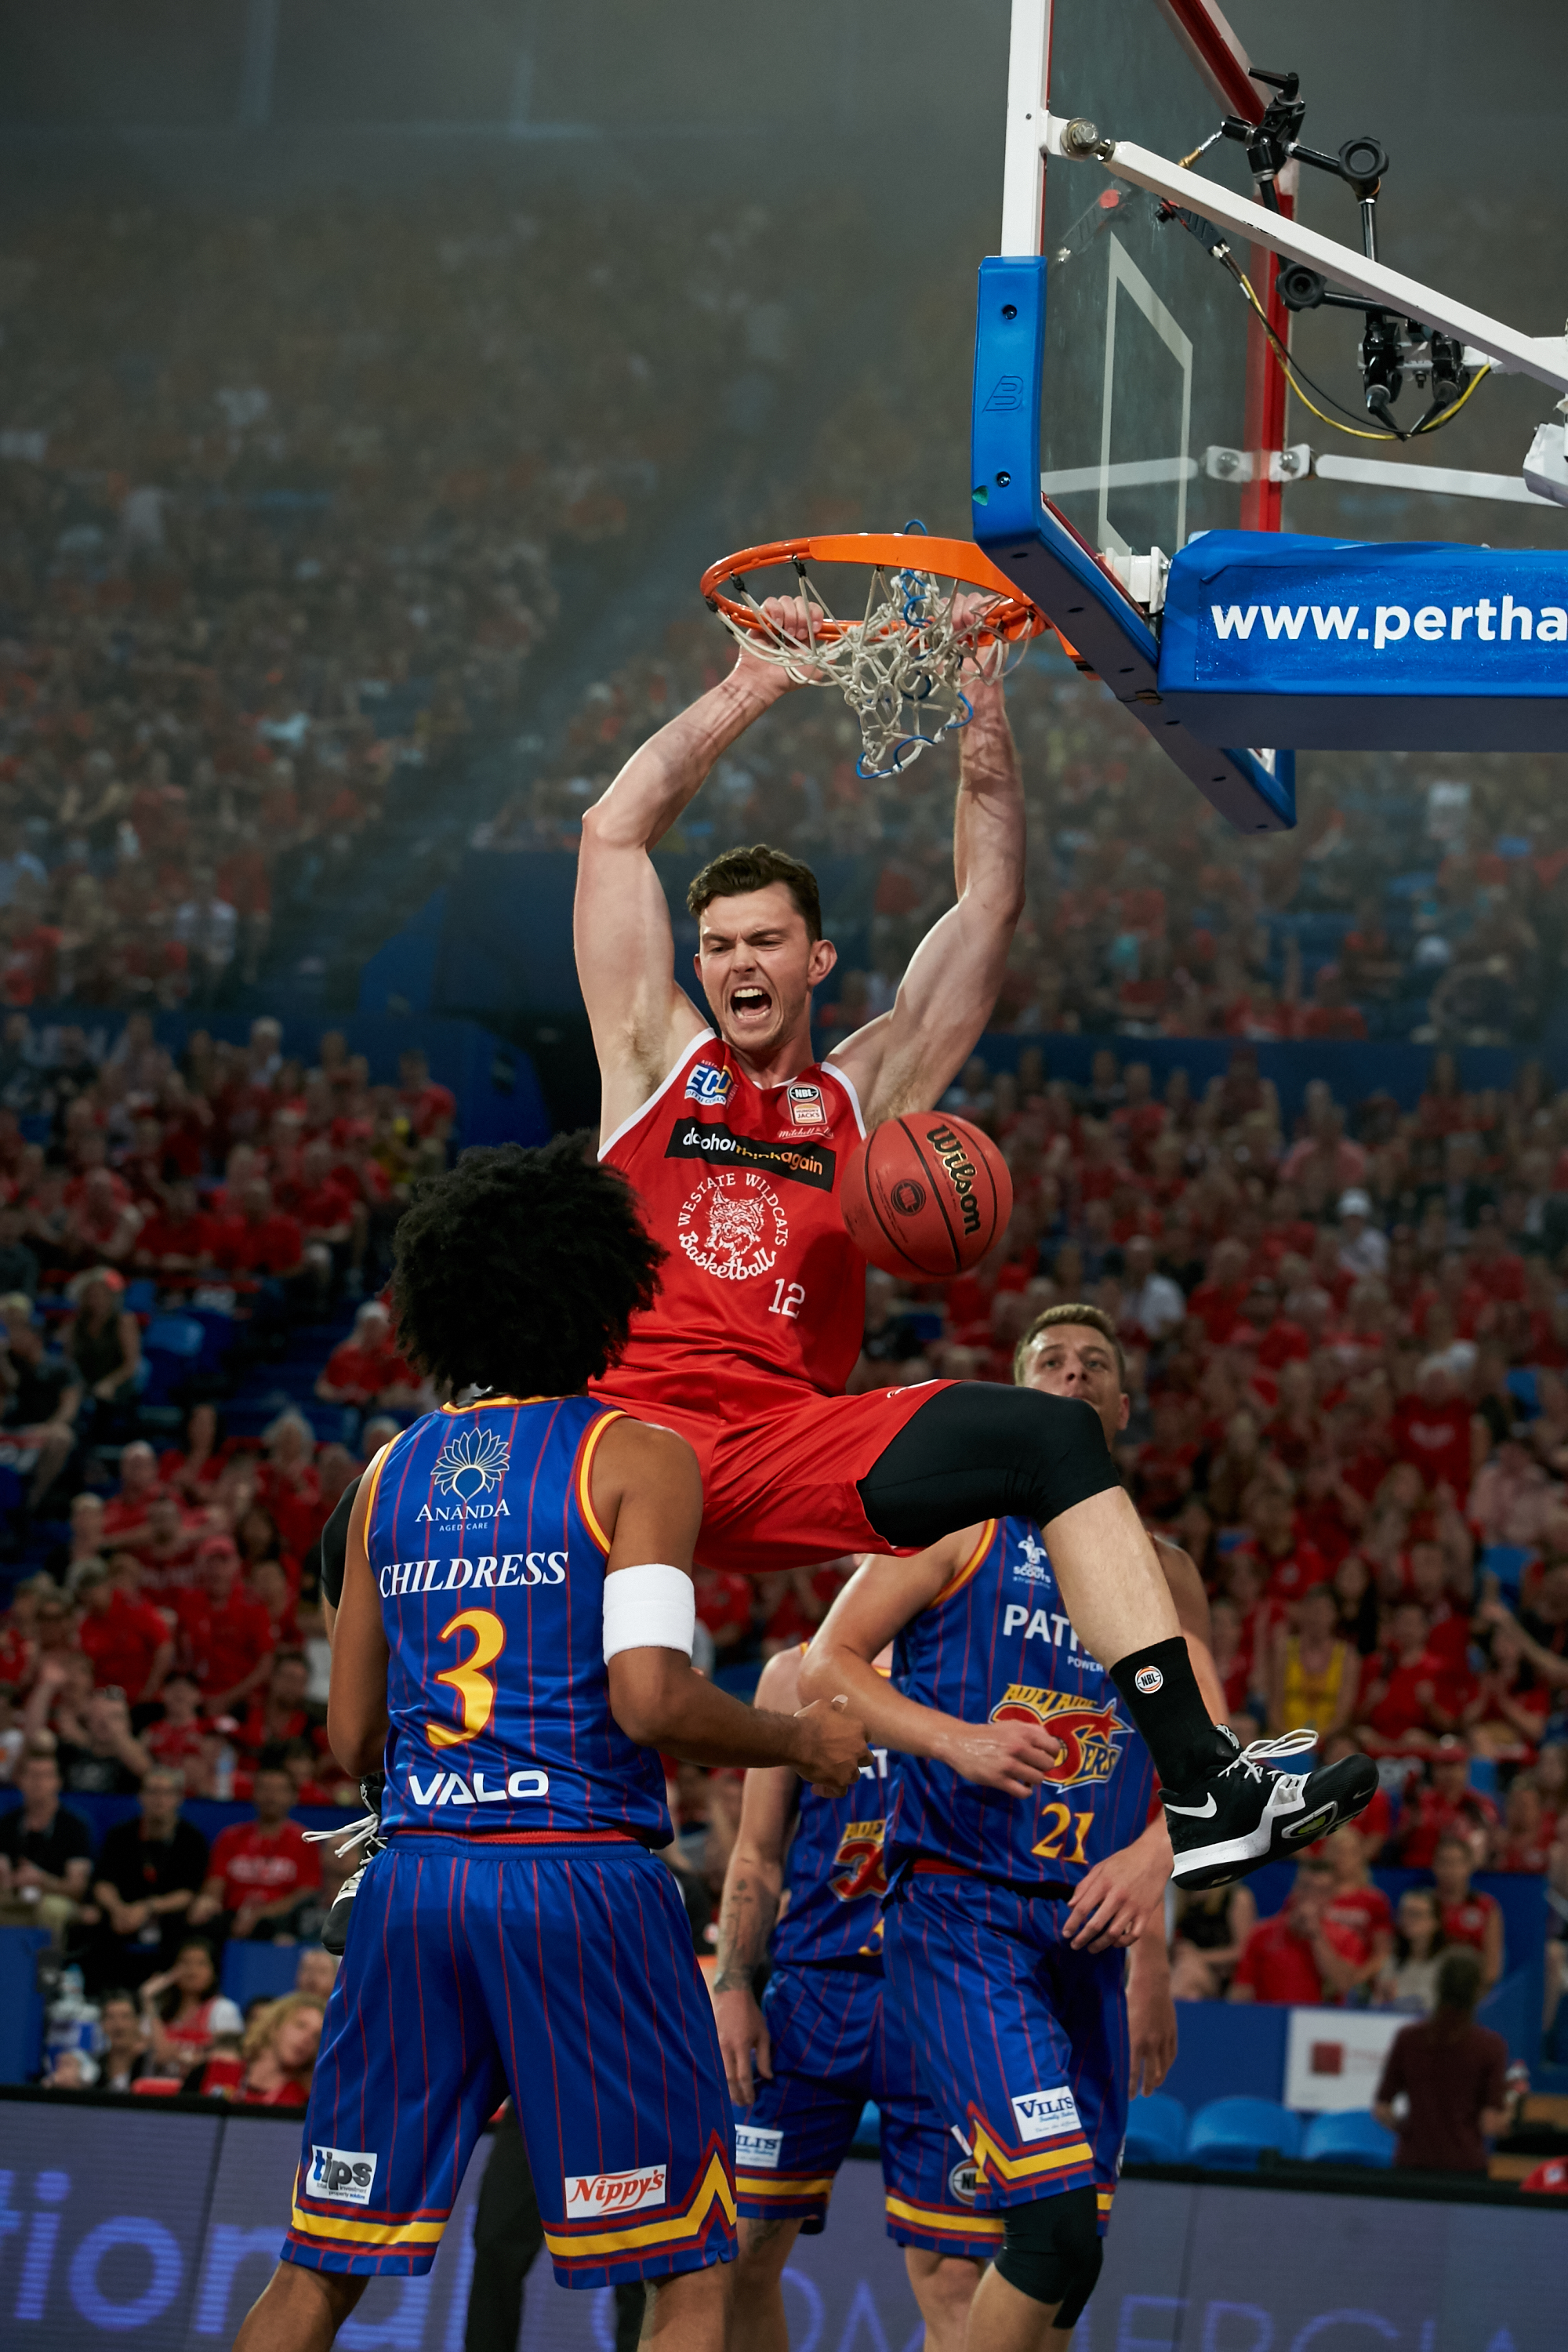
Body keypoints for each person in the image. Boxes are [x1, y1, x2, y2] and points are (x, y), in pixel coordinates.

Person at [575, 636, 1373, 1886]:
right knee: (386, 1494)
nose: (736, 964)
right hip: (620, 1445)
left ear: (814, 961)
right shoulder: (649, 1059)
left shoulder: (867, 1093)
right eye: (719, 944)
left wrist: (984, 716)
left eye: (765, 942)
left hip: (784, 1443)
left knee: (1054, 1440)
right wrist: (749, 684)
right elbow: (614, 836)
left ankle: (1206, 1784)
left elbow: (986, 907)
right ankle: (374, 1816)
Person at [234, 1136, 870, 2352]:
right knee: (686, 2271)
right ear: (606, 1294)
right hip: (580, 1880)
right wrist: (800, 1740)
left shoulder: (387, 1474)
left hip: (416, 1885)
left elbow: (351, 1735)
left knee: (321, 2262)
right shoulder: (636, 1455)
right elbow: (651, 1699)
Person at [797, 1305, 1207, 2352]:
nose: (1073, 1373)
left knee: (1066, 2281)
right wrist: (953, 1741)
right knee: (1043, 2237)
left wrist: (1153, 1873)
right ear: (1020, 1395)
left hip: (1090, 1942)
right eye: (1050, 1361)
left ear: (1120, 1406)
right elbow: (824, 1665)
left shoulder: (1165, 1571)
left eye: (1096, 1364)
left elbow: (1209, 1756)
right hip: (962, 1914)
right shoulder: (957, 1522)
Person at [715, 1642, 1000, 2352]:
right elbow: (757, 1850)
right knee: (739, 2257)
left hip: (941, 1993)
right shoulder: (793, 1674)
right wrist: (733, 1986)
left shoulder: (987, 1665)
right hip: (811, 1993)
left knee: (953, 2279)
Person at [1372, 1948, 1509, 2172]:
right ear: (1478, 1992)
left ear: (1437, 1986)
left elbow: (1382, 2108)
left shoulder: (1408, 2038)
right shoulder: (1491, 2046)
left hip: (1413, 2160)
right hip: (1465, 2164)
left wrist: (1406, 2130)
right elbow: (1491, 2123)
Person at [86, 1763, 209, 1987]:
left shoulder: (191, 1840)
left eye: (166, 1793)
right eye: (152, 1792)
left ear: (178, 1799)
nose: (159, 1799)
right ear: (140, 1797)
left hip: (165, 1914)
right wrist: (118, 1909)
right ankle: (101, 1996)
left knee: (187, 1924)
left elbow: (189, 1893)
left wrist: (148, 1908)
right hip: (124, 1913)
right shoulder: (120, 1835)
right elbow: (103, 1883)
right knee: (96, 1921)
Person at [191, 1756, 318, 1943]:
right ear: (254, 1794)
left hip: (278, 1920)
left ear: (293, 1797)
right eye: (265, 1788)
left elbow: (305, 1894)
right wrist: (208, 1902)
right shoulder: (230, 1836)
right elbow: (215, 1884)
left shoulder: (305, 1840)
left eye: (279, 1790)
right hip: (231, 1916)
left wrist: (259, 1915)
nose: (271, 1796)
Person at [0, 1747, 93, 1936]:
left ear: (57, 1782)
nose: (38, 1783)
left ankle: (48, 1966)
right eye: (32, 1776)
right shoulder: (6, 1823)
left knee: (52, 1908)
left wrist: (43, 1880)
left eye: (45, 1776)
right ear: (21, 1781)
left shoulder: (74, 1826)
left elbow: (77, 1888)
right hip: (14, 1895)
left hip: (54, 1896)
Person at [1227, 1859, 1339, 2005]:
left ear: (1331, 1896)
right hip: (1269, 2018)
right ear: (1295, 1889)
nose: (1311, 1896)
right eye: (1306, 1887)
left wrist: (1316, 1936)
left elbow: (1343, 1986)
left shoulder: (1343, 1938)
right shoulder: (1262, 1933)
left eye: (1320, 1891)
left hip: (1320, 2022)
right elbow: (1242, 1989)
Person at [139, 1936, 244, 2081]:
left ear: (213, 1972)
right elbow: (156, 2055)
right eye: (185, 1963)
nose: (192, 1970)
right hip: (157, 2091)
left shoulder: (223, 2010)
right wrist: (149, 2000)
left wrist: (178, 2055)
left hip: (200, 2093)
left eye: (201, 1963)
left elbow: (228, 2059)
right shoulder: (157, 2010)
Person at [1269, 1582, 1359, 1741]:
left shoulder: (1347, 1657)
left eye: (1325, 1610)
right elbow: (1274, 1707)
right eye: (1312, 1609)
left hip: (1329, 1742)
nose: (1317, 1616)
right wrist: (1290, 1741)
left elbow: (1344, 1714)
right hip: (1285, 1739)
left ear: (1335, 1615)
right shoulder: (1284, 1651)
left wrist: (1320, 1742)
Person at [1430, 1831, 1505, 1988]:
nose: (1450, 1870)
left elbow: (1492, 1966)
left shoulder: (1486, 1907)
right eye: (1444, 1862)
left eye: (1456, 1863)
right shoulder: (1424, 1904)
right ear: (1434, 1866)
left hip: (1471, 1990)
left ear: (1469, 1866)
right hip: (1429, 1985)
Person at [1377, 1888, 1447, 2013]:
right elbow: (1377, 2007)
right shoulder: (1391, 1963)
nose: (1408, 1919)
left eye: (1416, 1914)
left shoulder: (1447, 1964)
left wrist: (1398, 2001)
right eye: (1404, 1913)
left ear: (1435, 1921)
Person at [97, 1988, 157, 2092]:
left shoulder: (150, 2065)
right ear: (102, 2024)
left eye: (126, 2017)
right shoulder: (95, 2067)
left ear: (137, 2022)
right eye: (111, 2018)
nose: (119, 2026)